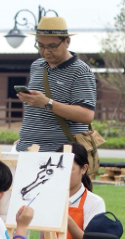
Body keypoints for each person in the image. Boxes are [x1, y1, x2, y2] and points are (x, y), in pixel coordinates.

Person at [15, 16, 96, 152]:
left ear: (67, 41)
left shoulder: (80, 71)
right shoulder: (36, 65)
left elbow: (86, 115)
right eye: (40, 46)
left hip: (60, 154)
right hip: (26, 149)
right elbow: (36, 113)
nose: (46, 51)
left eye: (52, 46)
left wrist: (47, 103)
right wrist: (23, 139)